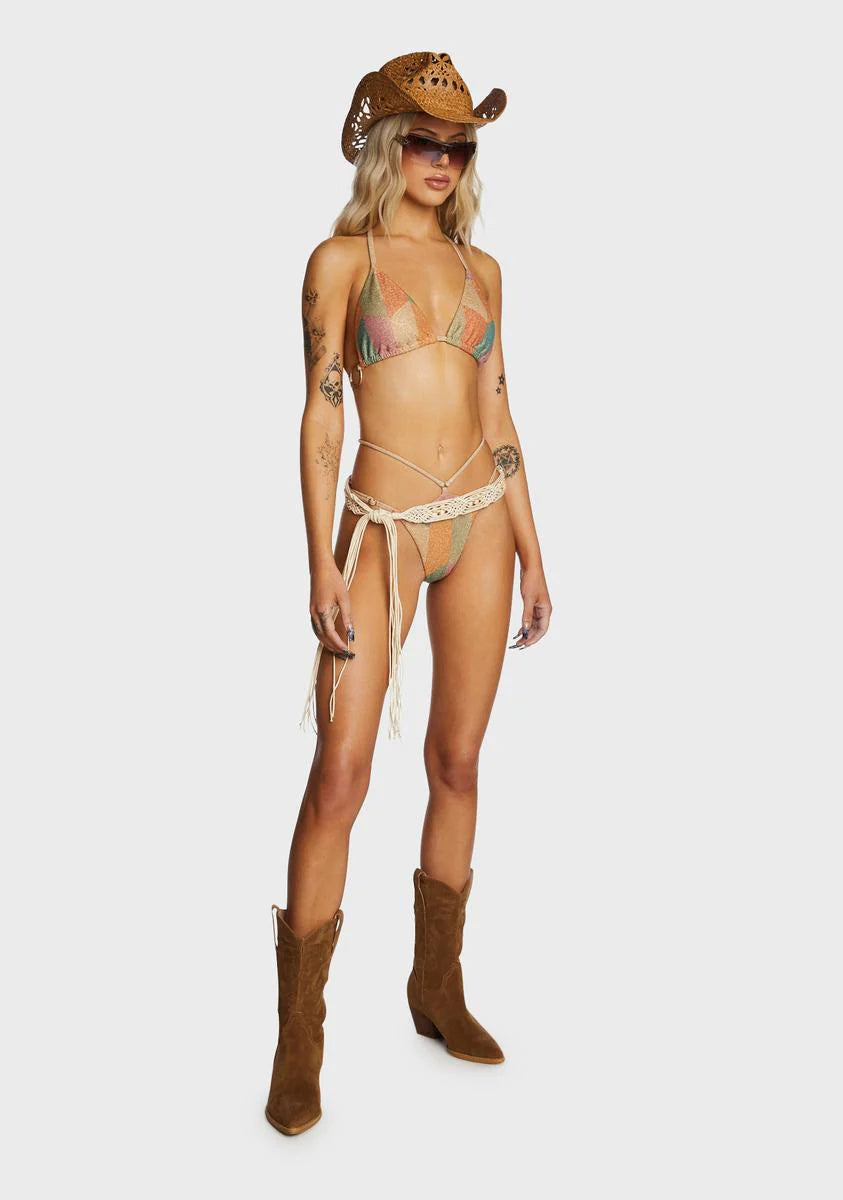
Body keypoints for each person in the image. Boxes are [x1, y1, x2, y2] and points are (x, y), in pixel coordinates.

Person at [266, 51, 552, 1137]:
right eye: (423, 141)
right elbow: (321, 409)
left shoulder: (484, 271)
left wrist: (533, 551)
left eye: (458, 146)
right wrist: (319, 561)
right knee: (339, 774)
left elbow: (500, 410)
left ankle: (437, 987)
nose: (441, 160)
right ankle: (299, 1038)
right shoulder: (340, 262)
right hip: (380, 531)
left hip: (479, 521)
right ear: (388, 146)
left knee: (458, 762)